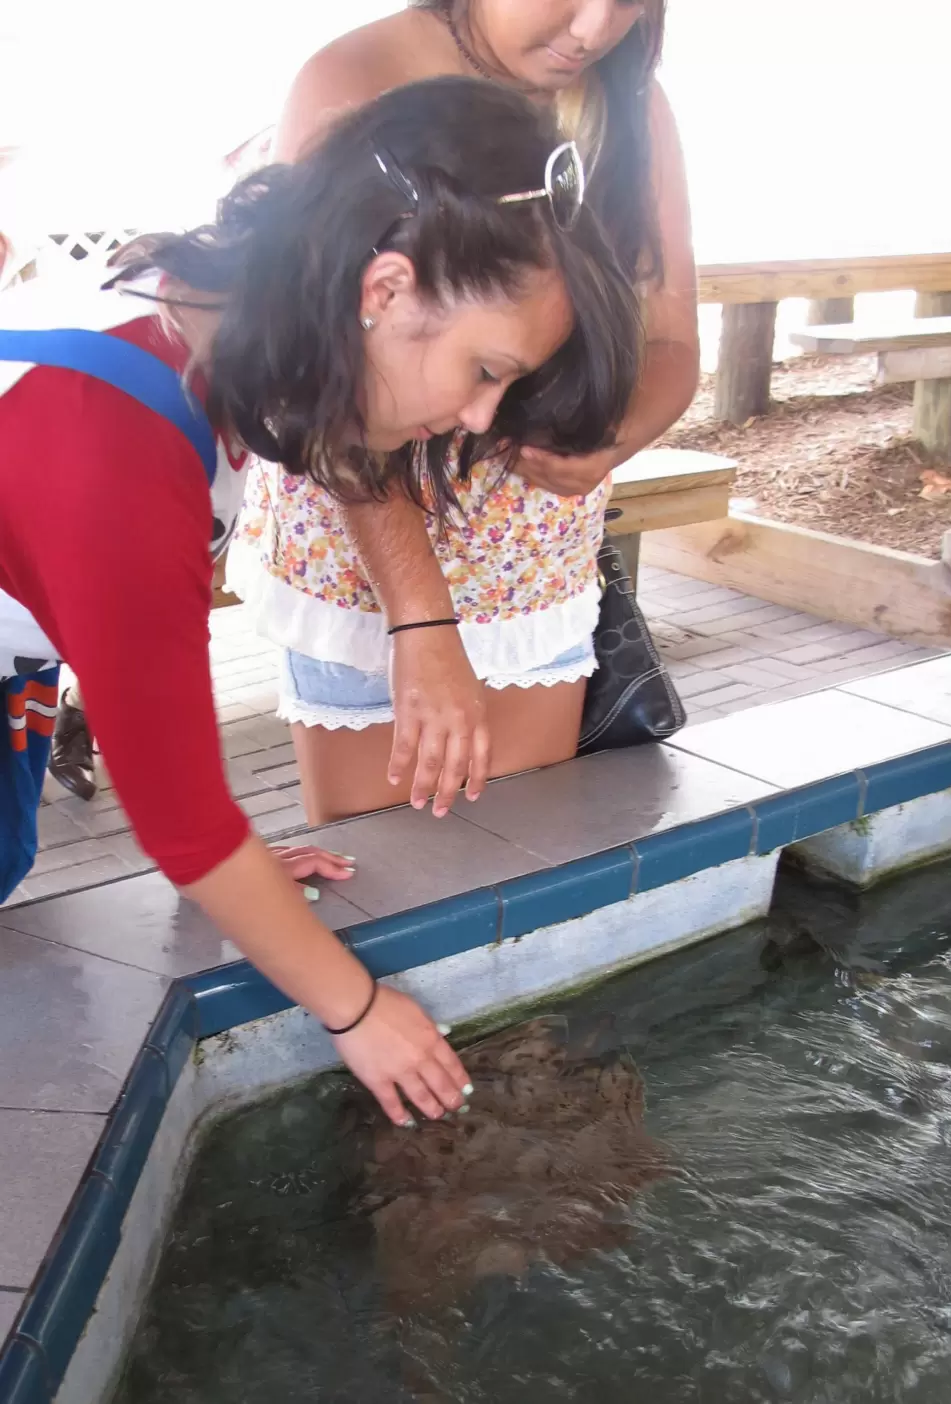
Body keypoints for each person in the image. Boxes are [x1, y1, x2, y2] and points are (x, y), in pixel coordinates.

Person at [0, 76, 641, 1125]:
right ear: (383, 288)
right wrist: (356, 1009)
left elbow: (180, 788)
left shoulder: (212, 321)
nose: (472, 419)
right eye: (482, 370)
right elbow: (180, 822)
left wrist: (234, 872)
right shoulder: (107, 446)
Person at [227, 0, 698, 825]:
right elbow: (321, 376)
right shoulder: (350, 80)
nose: (593, 30)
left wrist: (606, 442)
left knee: (525, 844)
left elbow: (673, 338)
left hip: (532, 554)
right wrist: (420, 621)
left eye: (629, 1)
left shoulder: (628, 102)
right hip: (369, 551)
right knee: (389, 863)